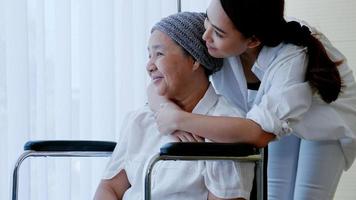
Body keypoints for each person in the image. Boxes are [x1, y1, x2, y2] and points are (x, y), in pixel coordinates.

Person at [148, 0, 356, 199]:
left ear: (253, 40)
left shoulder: (291, 58)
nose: (205, 35)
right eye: (208, 19)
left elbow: (259, 134)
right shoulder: (219, 25)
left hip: (324, 119)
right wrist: (164, 110)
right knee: (273, 194)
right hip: (273, 118)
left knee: (307, 196)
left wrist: (179, 120)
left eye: (218, 33)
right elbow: (157, 82)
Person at [94, 12, 255, 200]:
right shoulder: (140, 119)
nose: (149, 65)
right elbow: (109, 188)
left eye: (159, 54)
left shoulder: (227, 127)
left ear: (195, 60)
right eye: (149, 55)